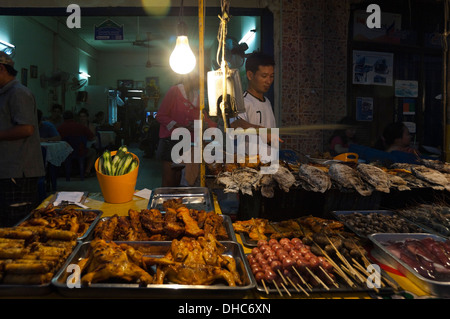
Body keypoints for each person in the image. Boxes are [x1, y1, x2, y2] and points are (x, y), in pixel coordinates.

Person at [0, 52, 45, 226]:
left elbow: (26, 128)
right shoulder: (4, 94)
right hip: (7, 170)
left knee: (17, 224)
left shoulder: (18, 93)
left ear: (2, 68)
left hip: (18, 172)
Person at [156, 71, 217, 187]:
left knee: (178, 181)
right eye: (200, 78)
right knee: (169, 182)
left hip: (186, 143)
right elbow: (160, 115)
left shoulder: (197, 96)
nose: (202, 82)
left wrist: (215, 127)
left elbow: (203, 117)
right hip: (170, 142)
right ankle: (165, 204)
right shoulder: (174, 91)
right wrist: (180, 126)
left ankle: (176, 204)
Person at [229, 52, 279, 141]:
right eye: (264, 76)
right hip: (248, 155)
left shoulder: (267, 102)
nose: (269, 81)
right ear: (250, 75)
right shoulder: (242, 102)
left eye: (271, 76)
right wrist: (259, 130)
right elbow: (235, 124)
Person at [58, 110, 97, 177]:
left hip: (65, 152)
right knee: (93, 152)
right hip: (80, 151)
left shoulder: (60, 128)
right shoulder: (81, 127)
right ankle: (87, 171)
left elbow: (58, 139)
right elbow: (92, 137)